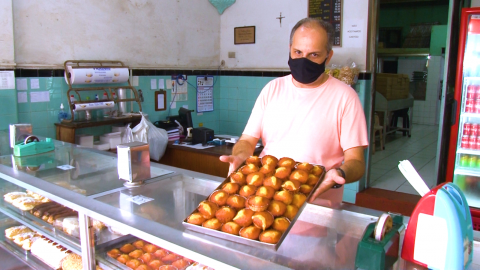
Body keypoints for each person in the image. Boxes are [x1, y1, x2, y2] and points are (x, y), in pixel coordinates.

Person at [219, 17, 368, 204]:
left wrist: (338, 174)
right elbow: (247, 140)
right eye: (297, 52)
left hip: (317, 206)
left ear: (328, 57)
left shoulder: (346, 98)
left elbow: (357, 162)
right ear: (290, 49)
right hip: (266, 201)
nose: (303, 60)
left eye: (314, 55)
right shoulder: (272, 89)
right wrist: (240, 155)